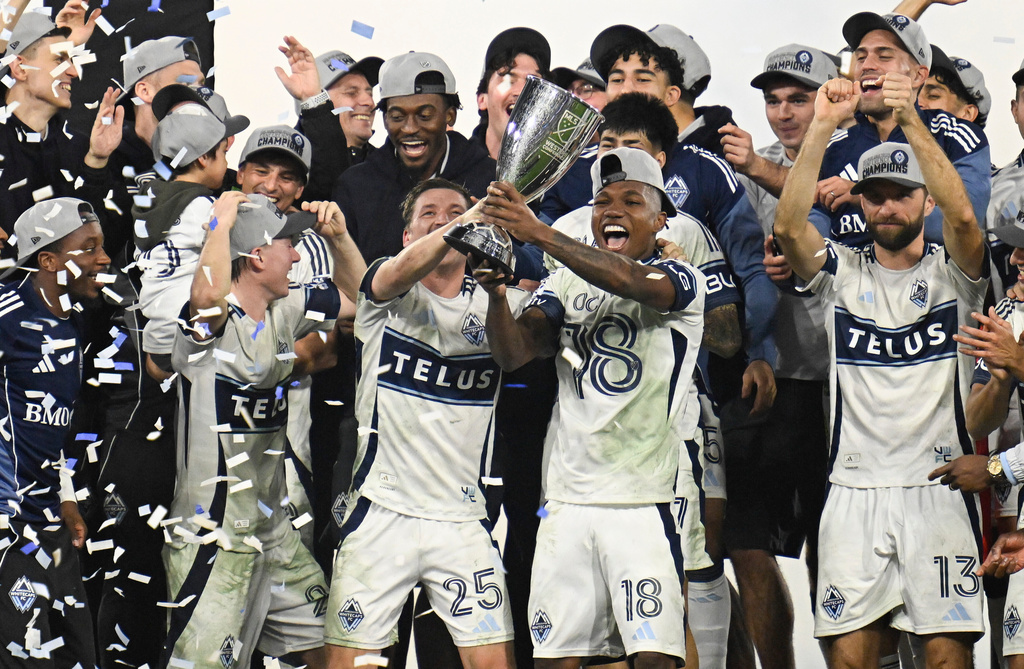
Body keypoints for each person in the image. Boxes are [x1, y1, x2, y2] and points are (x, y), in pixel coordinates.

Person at [773, 71, 986, 668]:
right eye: (875, 195)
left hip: (936, 488)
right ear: (860, 201)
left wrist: (911, 118)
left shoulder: (957, 275)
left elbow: (967, 223)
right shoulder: (842, 271)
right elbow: (789, 229)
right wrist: (820, 127)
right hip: (853, 492)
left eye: (901, 193)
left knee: (946, 662)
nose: (887, 206)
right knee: (849, 662)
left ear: (925, 199)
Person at [479, 147, 706, 668]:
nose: (613, 210)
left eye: (632, 200)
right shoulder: (564, 281)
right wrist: (495, 296)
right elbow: (515, 353)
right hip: (567, 501)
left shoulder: (683, 278)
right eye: (602, 201)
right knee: (556, 660)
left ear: (661, 219)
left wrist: (537, 232)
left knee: (654, 660)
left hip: (644, 502)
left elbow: (628, 281)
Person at [323, 179, 525, 669]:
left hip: (463, 520)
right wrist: (471, 215)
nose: (445, 218)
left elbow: (514, 357)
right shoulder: (382, 297)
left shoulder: (505, 305)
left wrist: (499, 289)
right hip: (381, 513)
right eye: (429, 213)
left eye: (454, 210)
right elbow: (390, 276)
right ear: (409, 236)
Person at [161, 191, 364, 668]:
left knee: (343, 650)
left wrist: (339, 239)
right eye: (288, 244)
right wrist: (219, 224)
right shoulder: (204, 326)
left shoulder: (286, 308)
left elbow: (363, 299)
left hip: (274, 534)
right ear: (256, 257)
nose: (296, 255)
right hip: (213, 539)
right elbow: (206, 297)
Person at [717, 43, 837, 669]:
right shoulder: (744, 170)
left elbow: (832, 218)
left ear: (833, 100)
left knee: (835, 549)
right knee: (746, 542)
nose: (784, 113)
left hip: (841, 387)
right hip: (769, 379)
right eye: (774, 100)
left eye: (799, 98)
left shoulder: (862, 163)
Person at [0, 197, 111, 666]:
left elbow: (56, 423)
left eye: (102, 246)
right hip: (8, 529)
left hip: (49, 521)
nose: (103, 259)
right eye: (88, 249)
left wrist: (65, 496)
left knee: (79, 653)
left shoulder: (77, 319)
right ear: (47, 260)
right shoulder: (5, 314)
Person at [813, 12, 990, 247]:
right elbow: (811, 225)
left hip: (932, 281)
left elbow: (963, 225)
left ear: (918, 76)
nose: (868, 65)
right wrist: (792, 251)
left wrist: (863, 197)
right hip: (847, 279)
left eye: (884, 56)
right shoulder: (833, 144)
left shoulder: (956, 135)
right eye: (861, 57)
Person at [330, 51, 495, 264]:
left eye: (424, 116)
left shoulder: (490, 180)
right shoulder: (356, 187)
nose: (410, 128)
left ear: (450, 115)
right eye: (397, 117)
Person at [276, 36, 384, 201]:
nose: (369, 102)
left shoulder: (389, 166)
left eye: (370, 93)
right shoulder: (283, 163)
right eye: (351, 92)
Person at [472, 27, 551, 160]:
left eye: (533, 83)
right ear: (482, 100)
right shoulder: (453, 171)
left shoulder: (567, 175)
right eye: (508, 80)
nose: (521, 91)